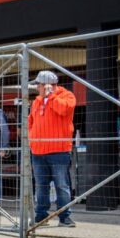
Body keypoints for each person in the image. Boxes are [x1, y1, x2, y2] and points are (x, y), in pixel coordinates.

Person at [27, 70, 76, 227]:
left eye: (38, 85)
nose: (36, 88)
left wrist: (51, 96)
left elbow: (64, 110)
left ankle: (65, 216)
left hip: (59, 150)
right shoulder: (37, 101)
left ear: (47, 86)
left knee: (61, 184)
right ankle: (41, 216)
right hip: (38, 151)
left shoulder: (67, 96)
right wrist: (31, 141)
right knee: (41, 185)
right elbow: (30, 122)